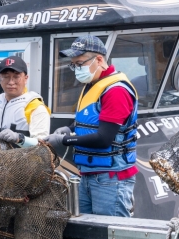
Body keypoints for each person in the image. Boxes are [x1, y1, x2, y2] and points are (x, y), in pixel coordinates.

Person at [45, 35, 138, 217]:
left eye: (80, 63)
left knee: (109, 237)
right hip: (87, 174)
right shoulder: (93, 84)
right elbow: (89, 121)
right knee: (87, 232)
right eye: (74, 65)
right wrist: (69, 129)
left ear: (99, 60)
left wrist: (64, 140)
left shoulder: (116, 91)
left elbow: (104, 138)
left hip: (111, 179)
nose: (76, 69)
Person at [0, 56, 50, 157]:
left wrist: (20, 139)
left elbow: (43, 146)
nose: (11, 82)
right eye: (6, 76)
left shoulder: (35, 106)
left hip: (24, 170)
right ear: (0, 79)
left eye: (16, 76)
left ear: (26, 78)